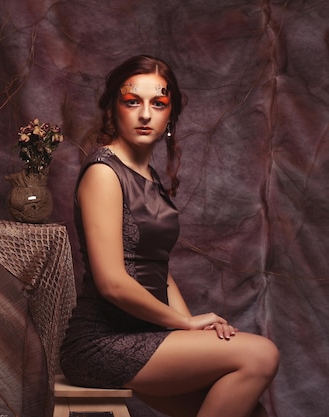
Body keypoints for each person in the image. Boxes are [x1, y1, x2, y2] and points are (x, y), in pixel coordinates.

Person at [59, 55, 279, 417]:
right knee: (261, 354)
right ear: (114, 108)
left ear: (169, 115)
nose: (145, 114)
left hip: (147, 336)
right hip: (100, 344)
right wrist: (185, 323)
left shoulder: (149, 177)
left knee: (250, 412)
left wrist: (191, 330)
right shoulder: (103, 172)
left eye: (157, 103)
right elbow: (112, 283)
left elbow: (159, 267)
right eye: (133, 102)